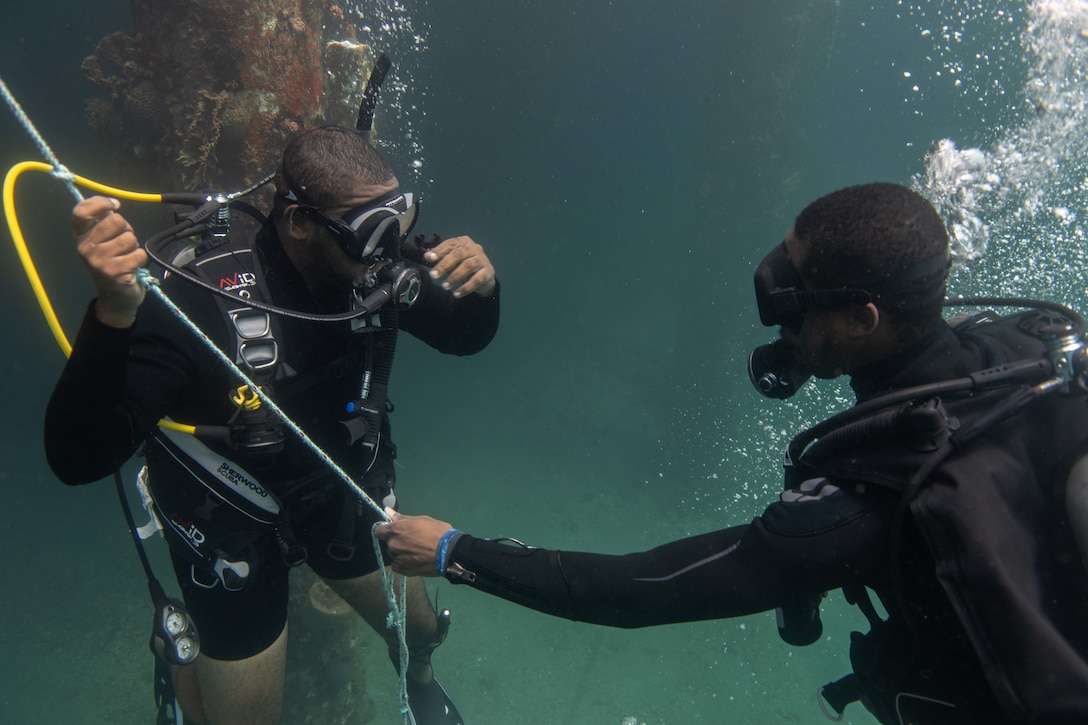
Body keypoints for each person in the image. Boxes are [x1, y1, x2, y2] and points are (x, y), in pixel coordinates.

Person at [375, 183, 1088, 725]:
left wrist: (455, 551)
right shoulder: (1023, 352)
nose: (778, 302)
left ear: (863, 318)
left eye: (797, 296)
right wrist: (815, 348)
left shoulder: (874, 497)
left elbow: (638, 591)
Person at [44, 125, 499, 725]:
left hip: (331, 477)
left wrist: (483, 289)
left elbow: (464, 337)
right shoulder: (198, 295)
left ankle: (419, 677)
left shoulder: (371, 271)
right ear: (299, 222)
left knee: (419, 628)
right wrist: (114, 314)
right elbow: (77, 459)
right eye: (370, 231)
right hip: (221, 508)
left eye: (400, 218)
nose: (391, 250)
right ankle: (175, 658)